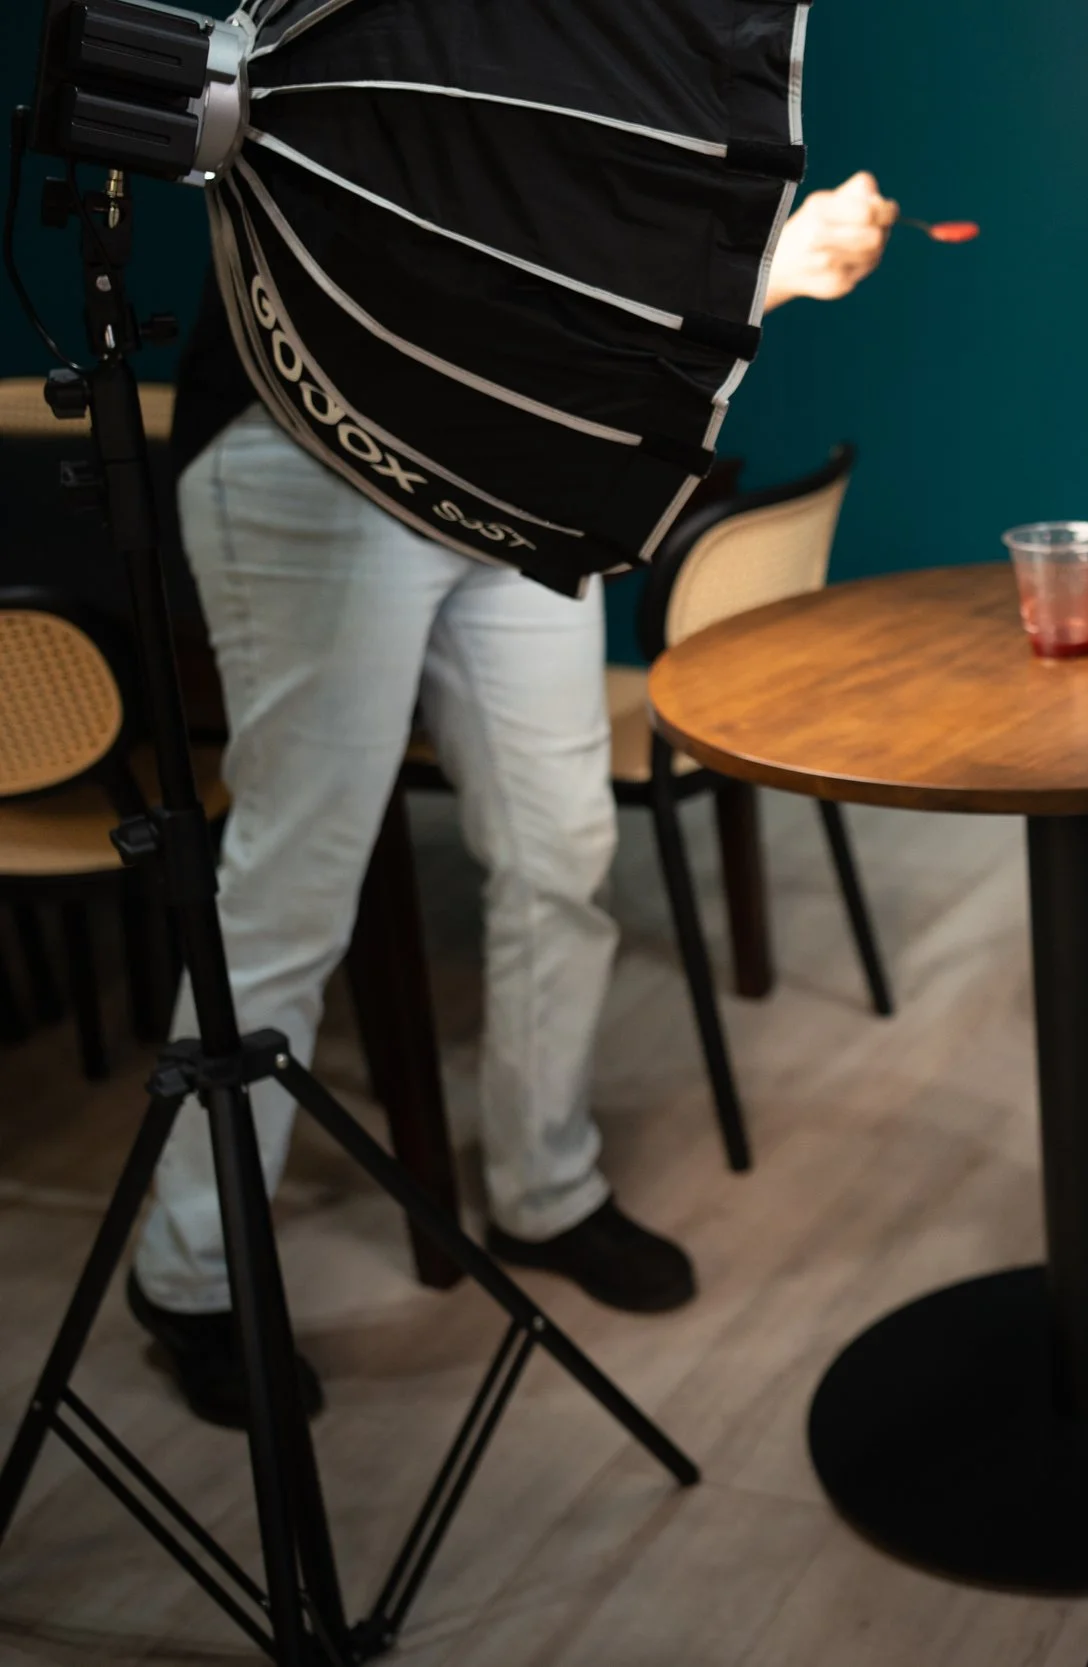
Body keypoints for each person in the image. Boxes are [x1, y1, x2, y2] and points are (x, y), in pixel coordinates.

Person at [126, 174, 901, 1428]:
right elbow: (455, 248)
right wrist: (764, 273)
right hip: (309, 436)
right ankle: (192, 1271)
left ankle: (546, 1186)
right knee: (294, 882)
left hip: (512, 462)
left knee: (562, 844)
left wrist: (766, 261)